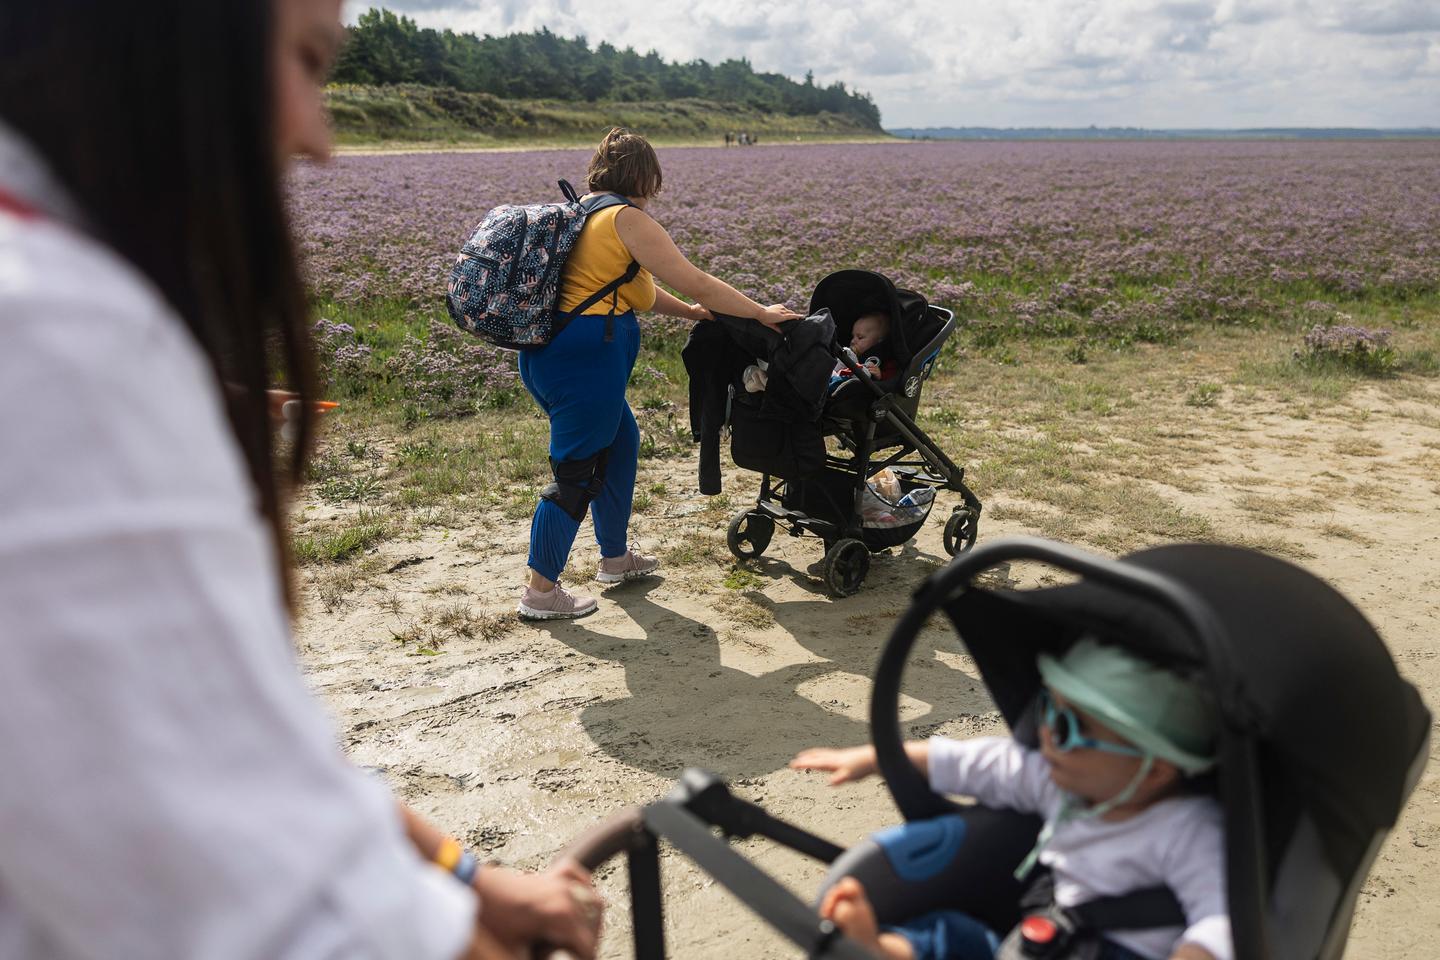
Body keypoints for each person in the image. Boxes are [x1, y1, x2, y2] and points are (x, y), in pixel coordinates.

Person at [0, 2, 602, 958]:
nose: (320, 141)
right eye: (307, 60)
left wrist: (469, 877)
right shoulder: (56, 340)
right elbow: (287, 924)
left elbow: (248, 749)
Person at [792, 638, 1231, 960]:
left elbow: (1223, 916)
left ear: (1152, 769)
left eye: (1066, 729)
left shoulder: (1189, 830)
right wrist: (879, 757)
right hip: (1045, 935)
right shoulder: (1062, 780)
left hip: (1121, 950)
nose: (1045, 735)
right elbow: (981, 763)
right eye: (1048, 710)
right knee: (955, 933)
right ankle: (883, 950)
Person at [517, 127, 801, 621]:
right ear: (644, 176)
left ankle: (615, 558)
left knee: (621, 441)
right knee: (576, 473)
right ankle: (541, 591)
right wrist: (759, 313)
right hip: (586, 362)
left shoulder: (578, 214)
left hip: (547, 355)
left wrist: (694, 314)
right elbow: (697, 280)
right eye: (654, 179)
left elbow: (638, 293)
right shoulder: (627, 219)